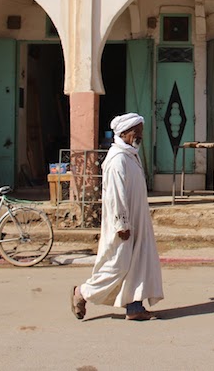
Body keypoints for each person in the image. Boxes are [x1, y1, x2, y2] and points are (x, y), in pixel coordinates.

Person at [71, 113, 164, 321]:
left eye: (140, 131)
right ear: (123, 133)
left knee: (139, 262)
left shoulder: (131, 156)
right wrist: (122, 223)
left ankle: (134, 306)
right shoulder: (117, 159)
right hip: (123, 224)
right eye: (135, 132)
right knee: (117, 265)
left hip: (137, 221)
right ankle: (82, 293)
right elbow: (115, 196)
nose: (139, 136)